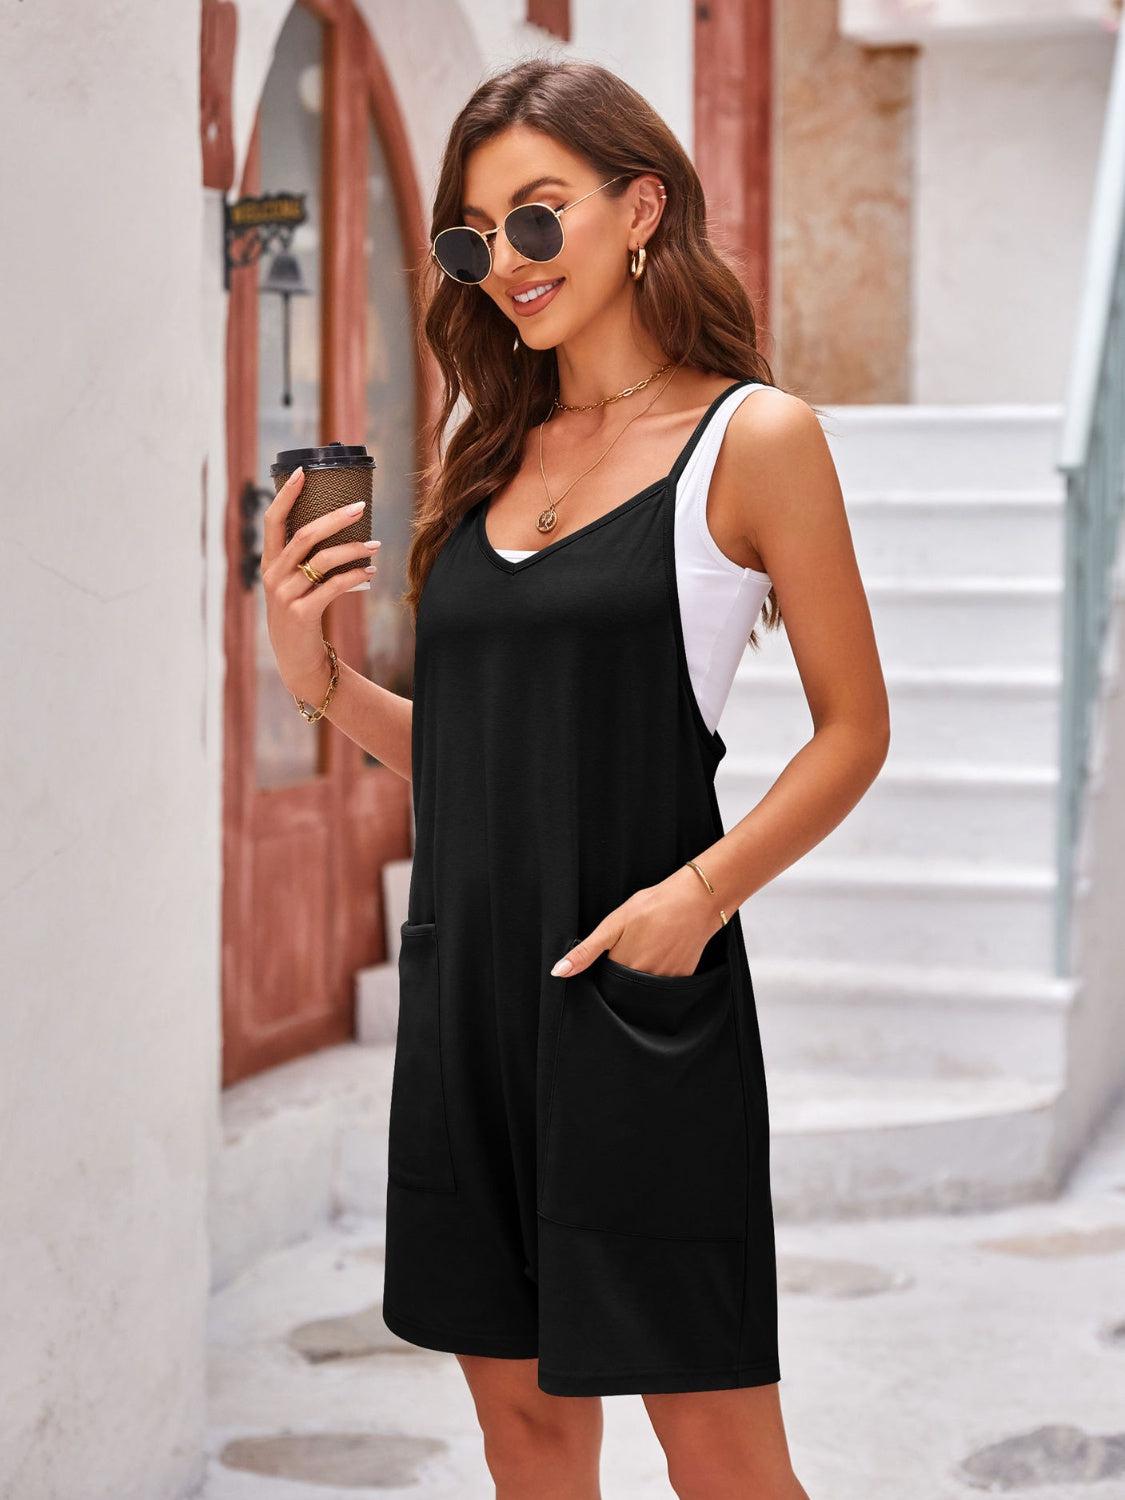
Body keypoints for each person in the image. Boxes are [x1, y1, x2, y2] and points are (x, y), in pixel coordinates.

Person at [263, 54, 888, 1500]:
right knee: (526, 1439)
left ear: (639, 209)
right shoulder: (485, 456)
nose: (503, 264)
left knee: (720, 1460)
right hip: (467, 998)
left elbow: (854, 728)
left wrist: (696, 897)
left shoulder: (754, 439)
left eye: (535, 217)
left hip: (636, 1001)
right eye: (469, 238)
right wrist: (320, 683)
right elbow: (486, 766)